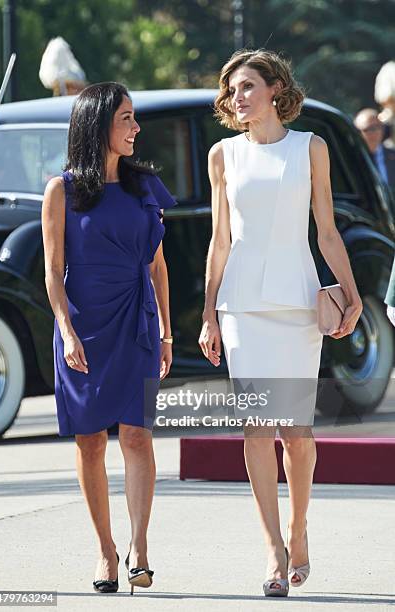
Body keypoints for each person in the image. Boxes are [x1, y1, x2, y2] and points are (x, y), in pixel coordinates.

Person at [199, 49, 362, 597]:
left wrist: (353, 294)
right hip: (241, 305)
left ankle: (299, 528)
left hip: (296, 303)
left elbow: (327, 230)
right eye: (231, 91)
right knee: (256, 427)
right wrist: (208, 314)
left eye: (247, 86)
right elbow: (219, 240)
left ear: (274, 90)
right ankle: (273, 549)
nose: (237, 98)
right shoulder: (223, 155)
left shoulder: (310, 149)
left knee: (296, 432)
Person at [41, 82, 177, 595]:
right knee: (90, 439)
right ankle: (105, 550)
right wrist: (65, 329)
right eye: (126, 118)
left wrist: (166, 329)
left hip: (136, 322)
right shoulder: (63, 190)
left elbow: (158, 264)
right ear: (98, 124)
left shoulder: (144, 186)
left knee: (137, 435)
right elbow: (54, 271)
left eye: (134, 118)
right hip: (83, 328)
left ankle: (139, 545)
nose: (136, 128)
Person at [354, 108, 395, 194]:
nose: (376, 132)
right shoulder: (349, 158)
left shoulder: (392, 155)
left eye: (379, 127)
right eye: (370, 128)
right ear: (357, 133)